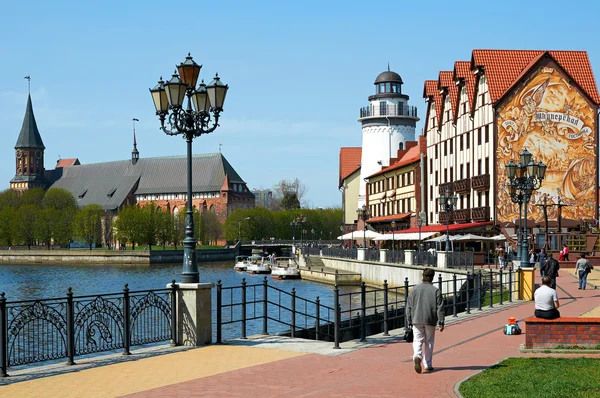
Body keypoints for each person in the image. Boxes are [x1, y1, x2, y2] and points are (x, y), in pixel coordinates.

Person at [406, 268, 445, 374]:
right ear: (432, 277)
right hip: (430, 320)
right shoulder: (436, 291)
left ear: (422, 276)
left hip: (416, 319)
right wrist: (441, 322)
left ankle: (417, 356)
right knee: (429, 342)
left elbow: (409, 305)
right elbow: (440, 308)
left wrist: (409, 319)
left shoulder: (414, 289)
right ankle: (428, 364)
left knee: (417, 340)